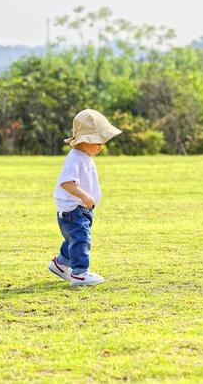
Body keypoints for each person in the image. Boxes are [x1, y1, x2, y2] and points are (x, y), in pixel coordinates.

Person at [48, 109, 121, 286]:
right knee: (81, 239)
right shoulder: (75, 158)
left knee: (74, 238)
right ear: (85, 140)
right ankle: (80, 274)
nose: (101, 146)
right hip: (74, 210)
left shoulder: (84, 156)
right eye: (98, 141)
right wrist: (85, 196)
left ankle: (60, 264)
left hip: (80, 210)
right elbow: (66, 183)